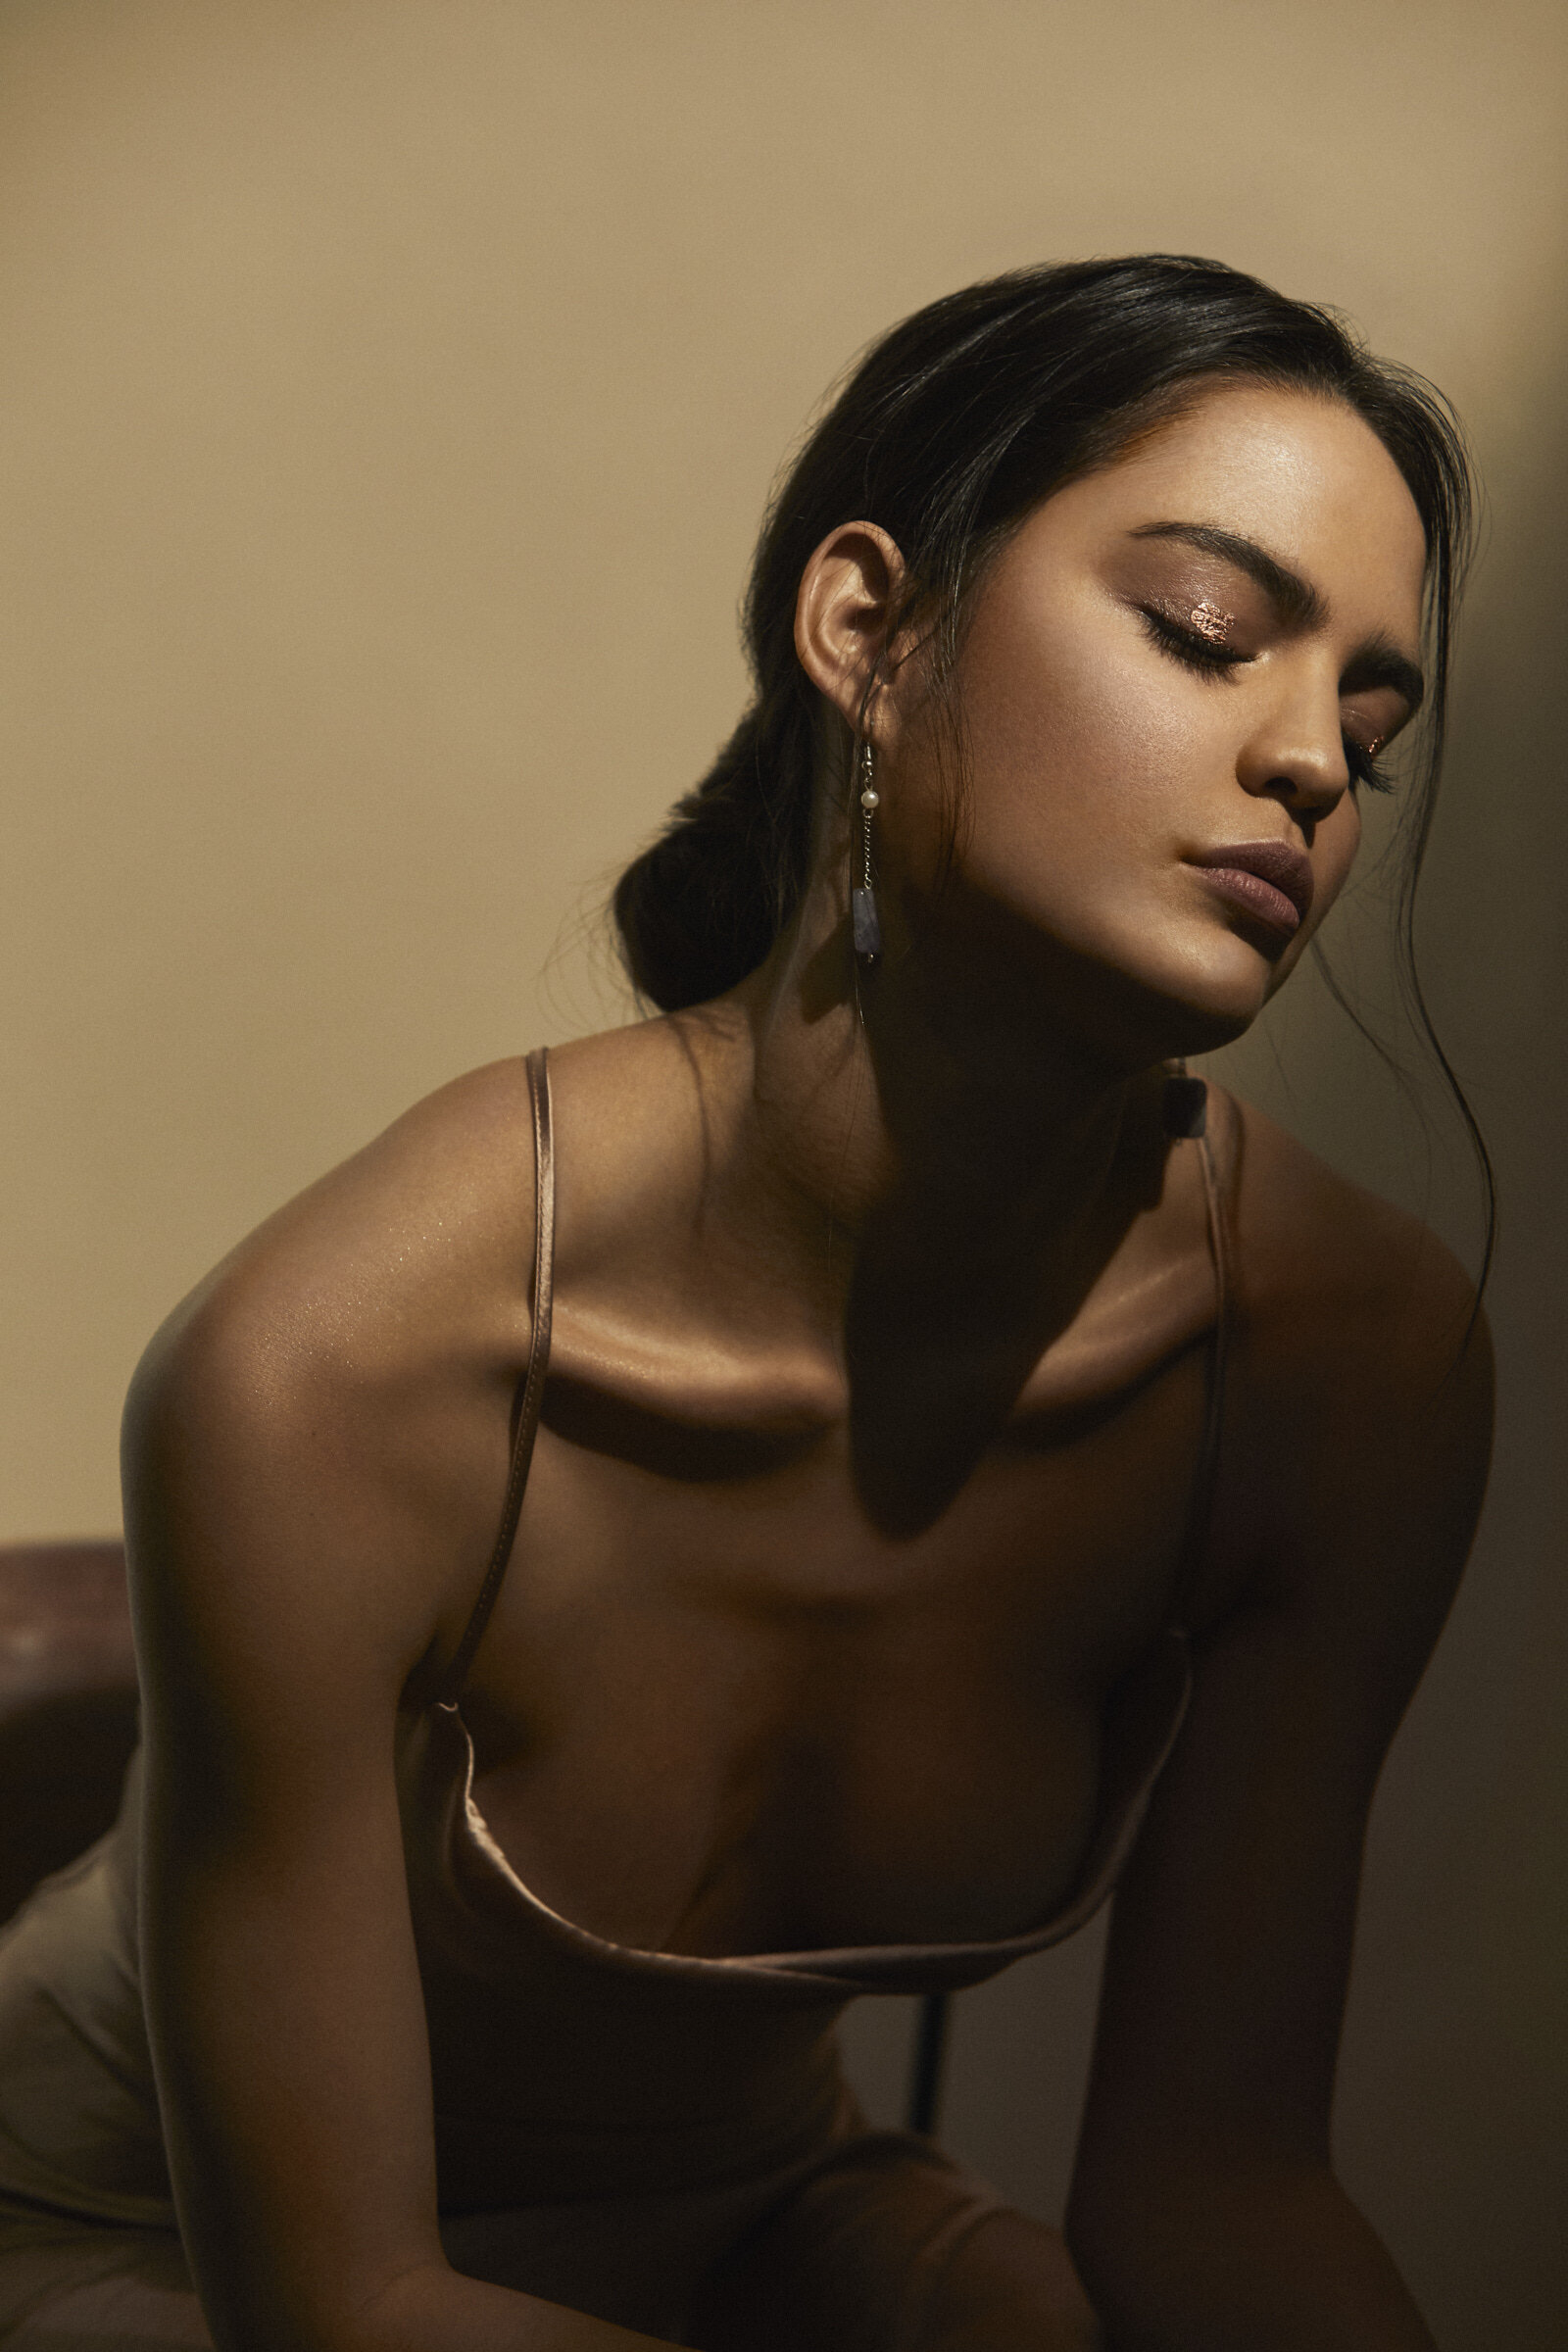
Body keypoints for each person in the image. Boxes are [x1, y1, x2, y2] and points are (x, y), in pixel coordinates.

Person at [0, 256, 1493, 2352]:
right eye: (1205, 634)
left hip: (749, 2213)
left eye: (1366, 721)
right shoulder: (344, 1367)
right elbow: (338, 2306)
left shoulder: (1349, 1363)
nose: (1309, 766)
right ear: (865, 633)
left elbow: (1216, 2185)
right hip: (160, 2245)